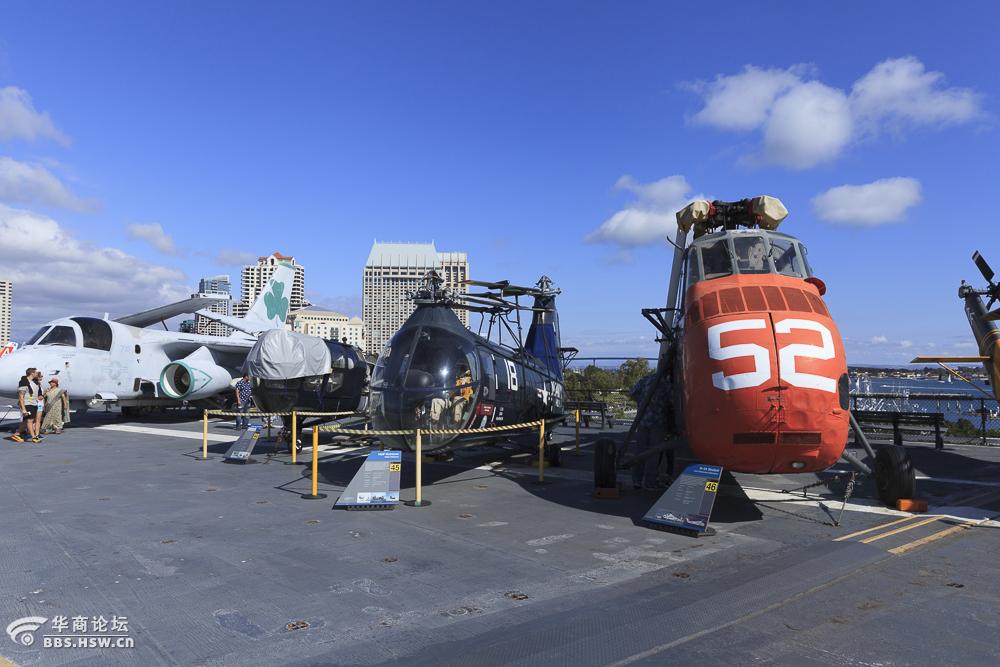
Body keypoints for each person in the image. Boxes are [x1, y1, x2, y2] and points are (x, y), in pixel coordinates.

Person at [629, 372, 674, 491]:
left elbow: (632, 393)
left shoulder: (645, 380)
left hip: (643, 420)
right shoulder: (666, 384)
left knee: (640, 451)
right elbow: (673, 401)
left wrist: (642, 402)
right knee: (653, 454)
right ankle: (650, 482)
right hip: (657, 422)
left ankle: (637, 480)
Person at [10, 367, 38, 443]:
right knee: (30, 420)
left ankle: (16, 434)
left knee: (26, 421)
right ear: (32, 373)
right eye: (35, 372)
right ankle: (34, 437)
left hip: (34, 404)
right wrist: (24, 409)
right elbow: (21, 397)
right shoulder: (24, 382)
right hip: (27, 404)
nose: (37, 374)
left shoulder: (34, 382)